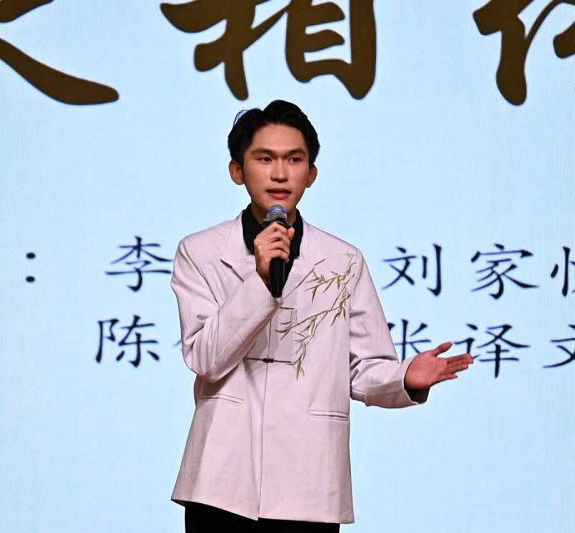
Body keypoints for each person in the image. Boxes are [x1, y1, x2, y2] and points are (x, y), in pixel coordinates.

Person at [170, 100, 473, 532]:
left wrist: (405, 378)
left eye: (294, 160)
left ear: (311, 173)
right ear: (237, 170)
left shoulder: (343, 260)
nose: (280, 174)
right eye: (264, 159)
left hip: (309, 479)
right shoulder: (199, 252)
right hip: (221, 479)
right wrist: (260, 280)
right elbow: (206, 358)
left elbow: (364, 368)